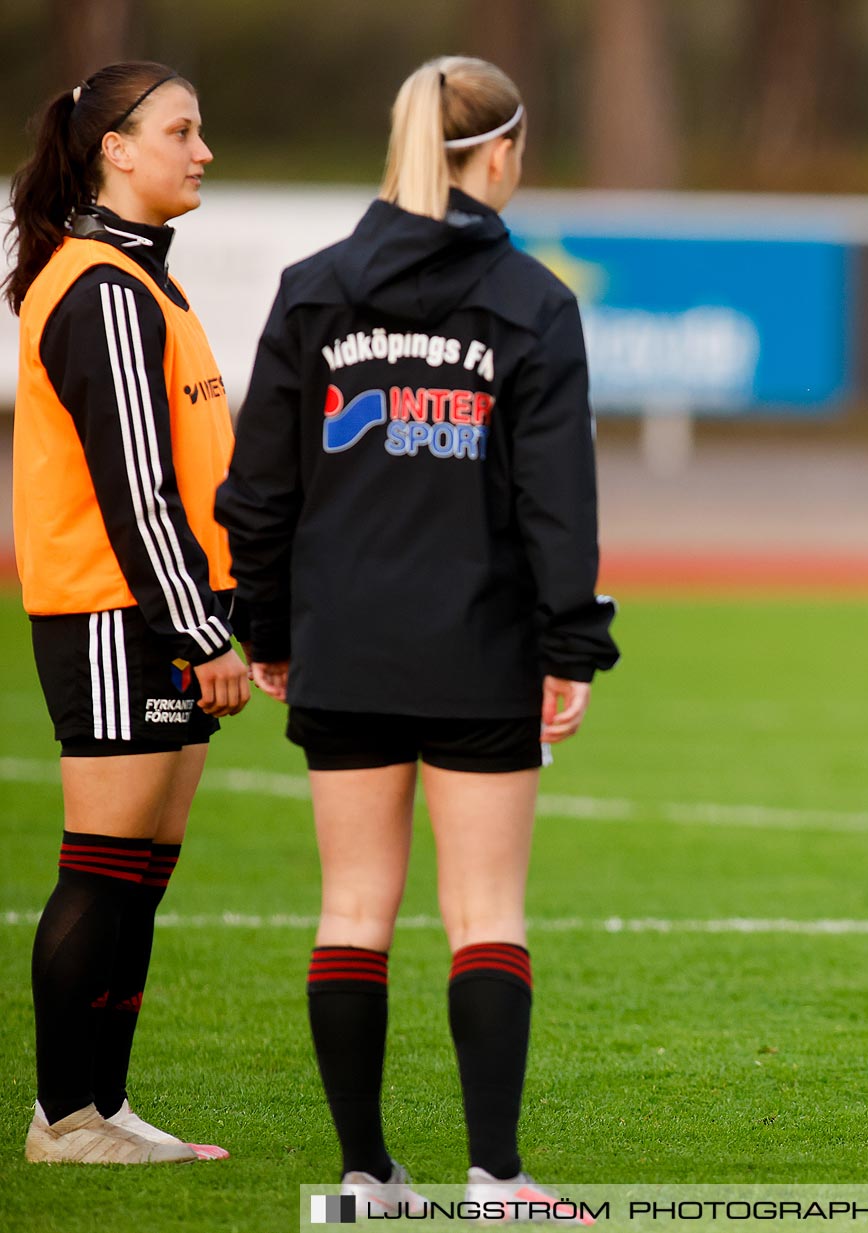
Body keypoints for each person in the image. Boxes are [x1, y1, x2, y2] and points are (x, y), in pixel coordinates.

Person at [214, 56, 617, 1217]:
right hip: (479, 645)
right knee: (485, 911)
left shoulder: (313, 287)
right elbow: (558, 506)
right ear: (500, 155)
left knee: (352, 909)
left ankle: (365, 1180)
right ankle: (496, 1180)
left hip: (343, 641)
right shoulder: (535, 302)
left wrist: (270, 630)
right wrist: (569, 647)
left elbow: (261, 492)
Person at [7, 60, 246, 1166]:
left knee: (138, 879)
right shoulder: (99, 286)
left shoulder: (146, 281)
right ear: (116, 148)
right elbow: (132, 486)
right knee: (101, 869)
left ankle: (103, 1111)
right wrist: (200, 632)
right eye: (181, 131)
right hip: (119, 614)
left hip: (161, 611)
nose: (201, 151)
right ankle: (62, 1118)